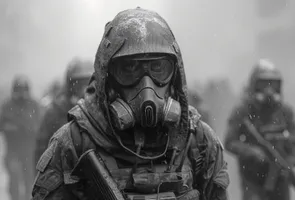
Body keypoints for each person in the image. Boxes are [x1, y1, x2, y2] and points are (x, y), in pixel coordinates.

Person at [32, 8, 229, 200]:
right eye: (129, 68)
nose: (146, 85)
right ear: (107, 78)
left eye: (158, 67)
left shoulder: (198, 140)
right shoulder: (73, 144)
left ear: (174, 75)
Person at [224, 59, 295, 200]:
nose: (269, 90)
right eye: (264, 84)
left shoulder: (286, 111)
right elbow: (229, 142)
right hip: (252, 178)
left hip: (280, 177)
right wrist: (251, 152)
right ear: (254, 85)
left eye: (273, 84)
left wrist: (289, 160)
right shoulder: (243, 110)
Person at [34, 58, 93, 165]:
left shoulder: (100, 109)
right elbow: (41, 147)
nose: (84, 89)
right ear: (70, 85)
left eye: (88, 83)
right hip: (62, 171)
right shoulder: (55, 111)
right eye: (79, 84)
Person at [0, 75, 41, 200]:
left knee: (30, 181)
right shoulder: (7, 105)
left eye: (24, 90)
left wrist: (24, 126)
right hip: (13, 151)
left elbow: (37, 126)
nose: (21, 93)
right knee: (14, 180)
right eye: (19, 90)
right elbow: (2, 125)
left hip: (29, 150)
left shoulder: (34, 105)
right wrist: (17, 127)